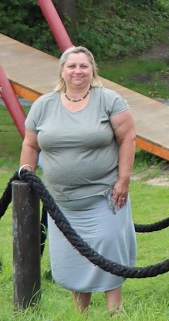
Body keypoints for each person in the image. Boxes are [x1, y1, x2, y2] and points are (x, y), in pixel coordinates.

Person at [19, 46, 136, 313]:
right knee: (72, 256)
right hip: (61, 202)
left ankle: (115, 311)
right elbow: (30, 144)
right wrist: (27, 174)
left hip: (104, 196)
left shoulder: (109, 100)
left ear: (92, 69)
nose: (77, 71)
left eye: (83, 66)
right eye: (71, 66)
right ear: (62, 70)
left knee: (108, 251)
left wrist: (124, 179)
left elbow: (128, 138)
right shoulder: (43, 105)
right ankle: (79, 313)